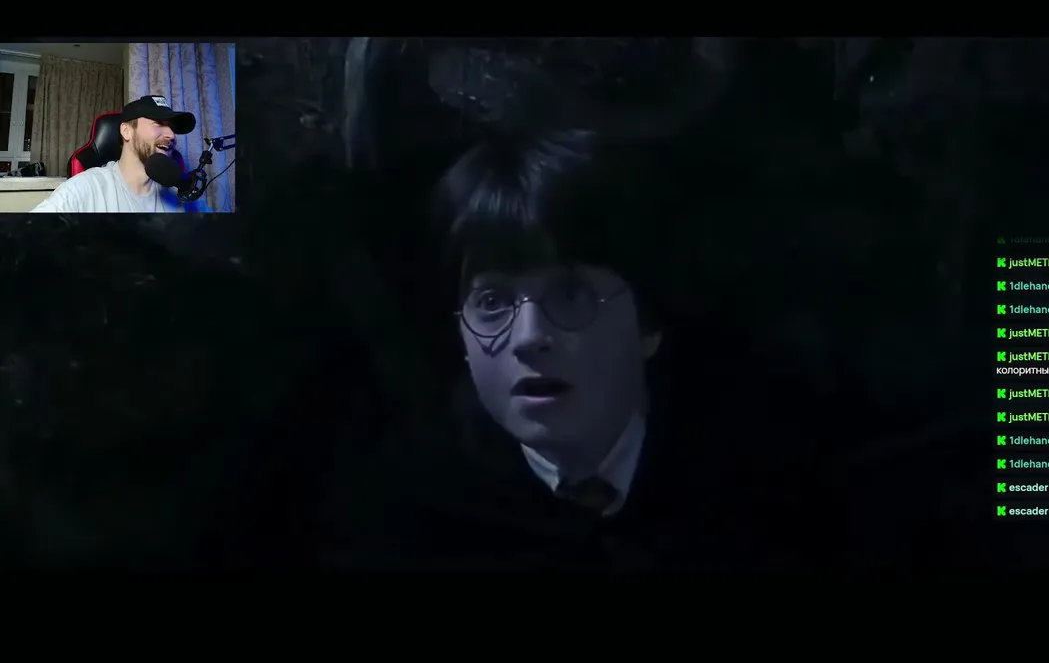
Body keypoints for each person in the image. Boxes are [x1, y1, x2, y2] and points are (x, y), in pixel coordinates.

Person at [327, 128, 851, 568]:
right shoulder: (409, 504)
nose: (528, 338)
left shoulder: (768, 469)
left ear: (648, 323)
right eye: (491, 302)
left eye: (572, 295)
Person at [31, 95, 210, 213]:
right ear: (126, 131)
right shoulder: (84, 189)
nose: (171, 134)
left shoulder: (181, 195)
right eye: (158, 123)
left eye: (172, 127)